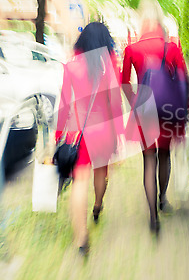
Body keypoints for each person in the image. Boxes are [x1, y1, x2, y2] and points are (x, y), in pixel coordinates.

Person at [55, 22, 124, 255]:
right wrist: (121, 136)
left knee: (79, 182)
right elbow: (115, 104)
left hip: (80, 133)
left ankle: (81, 238)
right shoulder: (108, 67)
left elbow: (64, 105)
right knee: (102, 172)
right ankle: (97, 206)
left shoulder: (71, 66)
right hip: (104, 130)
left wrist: (58, 136)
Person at [122, 0, 188, 233]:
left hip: (145, 109)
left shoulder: (132, 49)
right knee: (164, 156)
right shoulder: (172, 47)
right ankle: (162, 199)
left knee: (148, 159)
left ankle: (153, 217)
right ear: (159, 19)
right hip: (168, 109)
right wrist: (183, 111)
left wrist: (134, 102)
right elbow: (182, 81)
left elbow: (124, 83)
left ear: (142, 20)